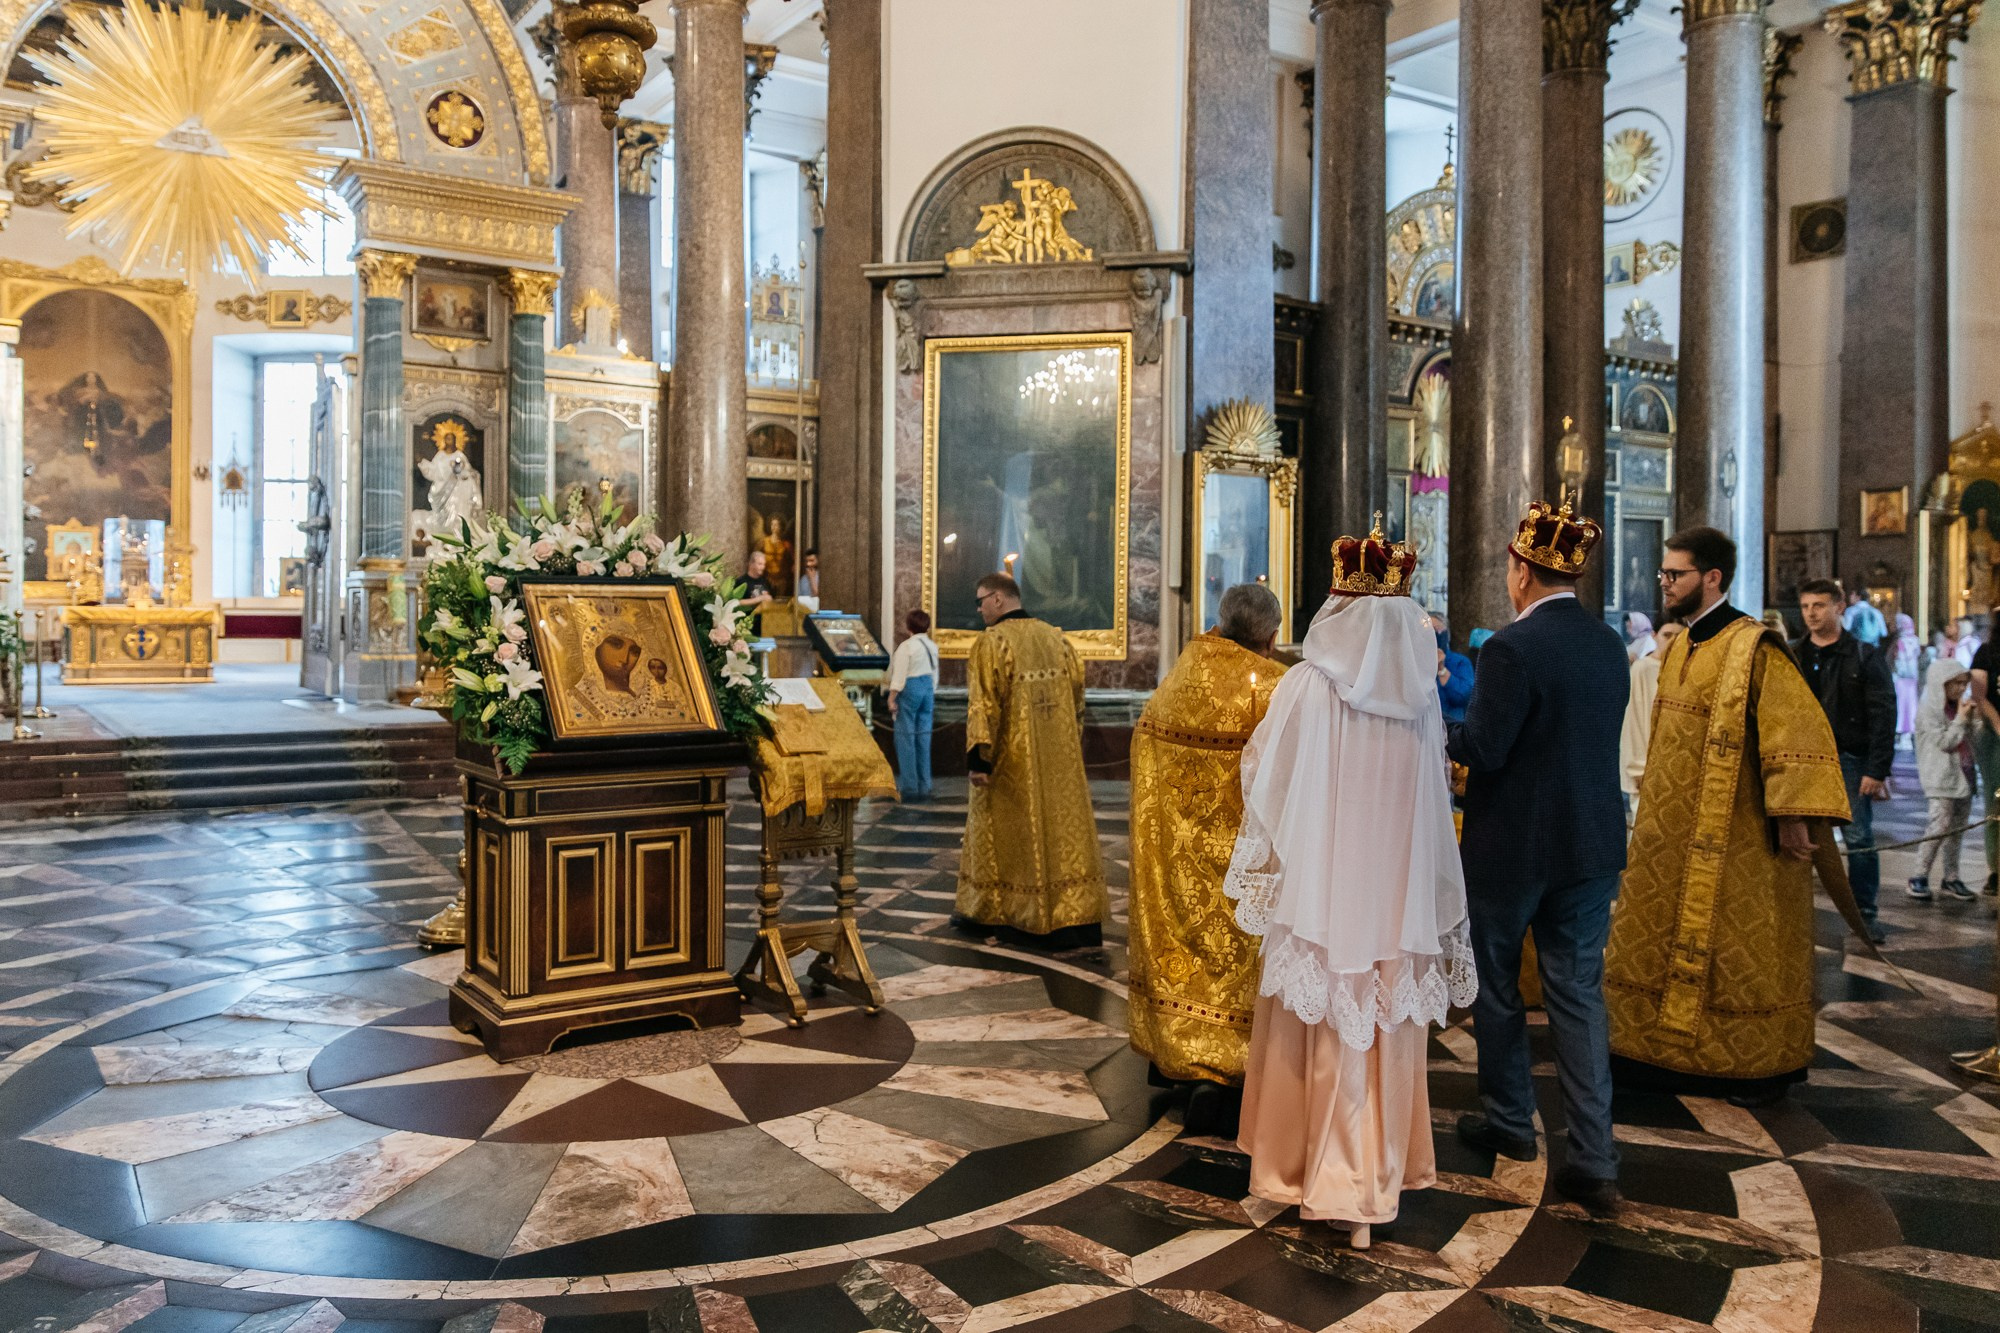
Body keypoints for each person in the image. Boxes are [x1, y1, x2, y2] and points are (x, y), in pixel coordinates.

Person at [1225, 523, 1473, 1249]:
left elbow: (1262, 778)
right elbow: (1433, 805)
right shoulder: (1423, 703)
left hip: (1325, 893)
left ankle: (1310, 1177)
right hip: (1394, 901)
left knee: (1320, 1028)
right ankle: (1374, 1180)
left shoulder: (1307, 685)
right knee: (1385, 1031)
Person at [1607, 528, 1849, 1107]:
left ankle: (1747, 1061)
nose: (1664, 584)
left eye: (1676, 574)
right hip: (1671, 835)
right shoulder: (1682, 646)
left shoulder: (1755, 647)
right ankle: (1658, 1053)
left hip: (1735, 837)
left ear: (1712, 577)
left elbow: (1796, 731)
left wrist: (1792, 815)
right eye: (1664, 574)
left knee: (1737, 952)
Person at [1446, 500, 1630, 1218]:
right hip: (1589, 845)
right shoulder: (1607, 642)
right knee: (1578, 993)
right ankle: (1593, 1157)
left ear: (1520, 571)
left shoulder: (1510, 649)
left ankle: (1511, 1122)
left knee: (1496, 985)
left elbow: (1487, 747)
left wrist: (1439, 722)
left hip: (1511, 847)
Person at [1128, 583, 1286, 1133]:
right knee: (1235, 957)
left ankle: (1178, 1058)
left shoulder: (1181, 674)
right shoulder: (1277, 688)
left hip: (1175, 853)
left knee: (1185, 949)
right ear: (1270, 637)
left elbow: (1144, 746)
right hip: (1244, 858)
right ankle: (1225, 1073)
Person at [953, 573, 1108, 950]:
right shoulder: (1058, 639)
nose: (979, 609)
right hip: (1061, 762)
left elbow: (983, 705)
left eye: (981, 601)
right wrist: (1065, 745)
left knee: (1011, 838)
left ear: (1000, 600)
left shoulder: (993, 643)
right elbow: (1077, 703)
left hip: (1012, 765)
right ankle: (1074, 921)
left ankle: (1010, 916)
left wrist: (980, 759)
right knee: (1061, 840)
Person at [1793, 579, 1895, 942]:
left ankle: (1864, 913)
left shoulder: (1864, 655)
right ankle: (1793, 913)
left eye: (1819, 605)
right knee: (1798, 837)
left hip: (1850, 756)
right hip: (1804, 759)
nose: (1811, 614)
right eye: (1806, 607)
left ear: (1838, 607)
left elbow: (1883, 714)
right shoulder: (1795, 654)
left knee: (1859, 837)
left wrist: (1877, 769)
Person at [1910, 658, 1979, 903]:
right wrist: (1961, 719)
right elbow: (1945, 743)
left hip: (1964, 776)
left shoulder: (1958, 706)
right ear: (1942, 683)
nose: (1961, 688)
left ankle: (1951, 877)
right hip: (1941, 777)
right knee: (1939, 826)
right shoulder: (1930, 709)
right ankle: (1919, 875)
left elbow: (1969, 739)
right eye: (1956, 683)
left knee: (1957, 830)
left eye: (1964, 683)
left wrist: (1971, 719)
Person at [1620, 621, 1683, 810]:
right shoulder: (1642, 668)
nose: (1672, 641)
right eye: (1667, 635)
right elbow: (1633, 719)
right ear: (1655, 636)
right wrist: (1637, 767)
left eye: (1678, 636)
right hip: (1646, 763)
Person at [886, 609, 939, 802]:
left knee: (906, 739)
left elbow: (899, 676)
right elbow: (935, 674)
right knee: (923, 738)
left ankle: (909, 787)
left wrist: (892, 698)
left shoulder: (906, 647)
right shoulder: (932, 646)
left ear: (909, 627)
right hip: (927, 691)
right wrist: (930, 691)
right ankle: (925, 785)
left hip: (910, 689)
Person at [1966, 609, 2000, 896]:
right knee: (1996, 801)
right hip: (1995, 736)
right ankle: (1996, 869)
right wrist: (1998, 724)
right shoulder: (1986, 653)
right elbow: (1979, 694)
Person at [1433, 614, 1474, 723]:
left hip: (1451, 726)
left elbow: (1465, 696)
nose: (1432, 636)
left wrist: (1441, 669)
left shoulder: (1460, 662)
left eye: (1436, 630)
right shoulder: (1415, 663)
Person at [1891, 613, 1921, 746]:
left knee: (1901, 706)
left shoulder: (1900, 641)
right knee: (1911, 705)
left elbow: (1899, 660)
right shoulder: (1915, 640)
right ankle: (1908, 734)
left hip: (1901, 678)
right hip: (1912, 678)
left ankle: (1902, 733)